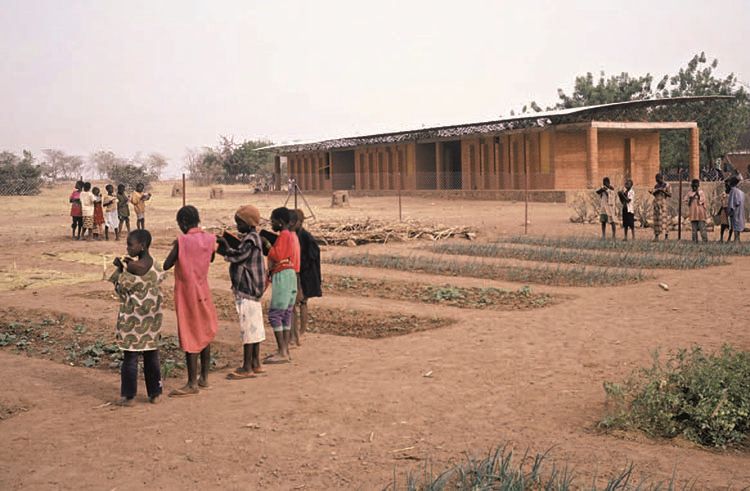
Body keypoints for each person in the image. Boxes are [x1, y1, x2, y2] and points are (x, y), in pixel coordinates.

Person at [163, 205, 219, 396]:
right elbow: (211, 258)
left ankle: (191, 383)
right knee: (204, 332)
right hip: (204, 291)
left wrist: (178, 246)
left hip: (187, 294)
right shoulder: (210, 238)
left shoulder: (182, 241)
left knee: (190, 334)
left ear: (184, 223)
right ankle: (204, 378)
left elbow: (166, 264)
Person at [110, 229, 164, 406]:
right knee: (151, 356)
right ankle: (155, 393)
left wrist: (119, 268)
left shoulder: (130, 271)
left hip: (132, 321)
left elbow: (120, 288)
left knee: (130, 358)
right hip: (152, 319)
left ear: (142, 246)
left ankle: (129, 396)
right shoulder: (157, 266)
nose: (127, 248)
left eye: (130, 244)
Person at [216, 205, 266, 379]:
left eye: (239, 223)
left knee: (248, 330)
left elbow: (238, 256)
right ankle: (256, 363)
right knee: (255, 329)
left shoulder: (250, 240)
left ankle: (247, 367)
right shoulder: (255, 238)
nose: (237, 226)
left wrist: (224, 246)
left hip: (247, 290)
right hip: (254, 291)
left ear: (248, 223)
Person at [264, 207, 299, 364]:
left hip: (282, 275)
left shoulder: (283, 236)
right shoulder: (290, 236)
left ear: (281, 221)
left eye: (273, 221)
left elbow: (277, 255)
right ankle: (284, 349)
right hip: (290, 275)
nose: (271, 224)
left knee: (275, 314)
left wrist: (267, 247)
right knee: (285, 313)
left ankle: (282, 351)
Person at [292, 209, 321, 344]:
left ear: (300, 222)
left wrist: (301, 262)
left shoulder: (306, 237)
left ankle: (302, 330)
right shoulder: (293, 235)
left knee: (303, 302)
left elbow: (313, 255)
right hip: (297, 273)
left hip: (307, 274)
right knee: (294, 303)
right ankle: (296, 331)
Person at [649, 174, 672, 241]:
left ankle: (666, 236)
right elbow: (655, 194)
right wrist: (653, 192)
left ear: (662, 178)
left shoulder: (667, 185)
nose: (657, 181)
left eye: (658, 179)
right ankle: (656, 236)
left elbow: (670, 194)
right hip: (656, 203)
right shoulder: (656, 186)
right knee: (656, 220)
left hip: (663, 203)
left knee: (664, 219)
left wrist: (662, 191)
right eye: (656, 179)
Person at [727, 176, 745, 242]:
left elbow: (732, 203)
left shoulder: (733, 191)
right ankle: (738, 239)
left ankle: (736, 239)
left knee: (735, 225)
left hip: (735, 211)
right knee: (738, 224)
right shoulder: (741, 192)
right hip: (740, 211)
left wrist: (729, 212)